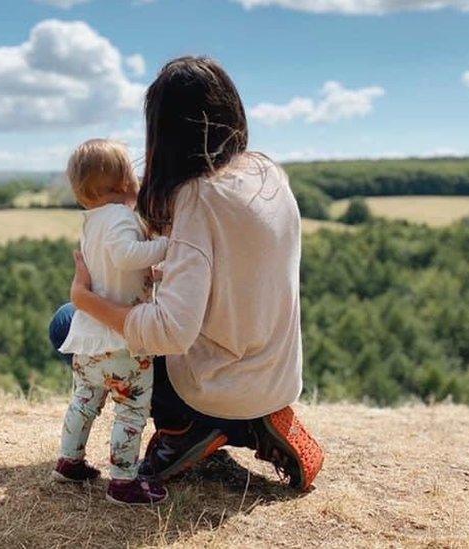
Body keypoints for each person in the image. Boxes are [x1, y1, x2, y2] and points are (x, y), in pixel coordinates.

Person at [55, 56, 324, 491]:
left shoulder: (197, 198)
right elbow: (234, 273)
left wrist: (87, 300)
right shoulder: (267, 172)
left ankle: (189, 425)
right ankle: (249, 418)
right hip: (276, 377)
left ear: (165, 132)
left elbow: (171, 333)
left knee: (67, 322)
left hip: (214, 387)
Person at [52, 139, 170, 506]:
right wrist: (167, 244)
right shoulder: (120, 217)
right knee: (132, 408)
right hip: (122, 339)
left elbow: (110, 268)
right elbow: (124, 256)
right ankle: (123, 481)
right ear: (123, 182)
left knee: (85, 400)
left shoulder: (92, 222)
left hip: (89, 336)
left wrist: (149, 273)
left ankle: (69, 461)